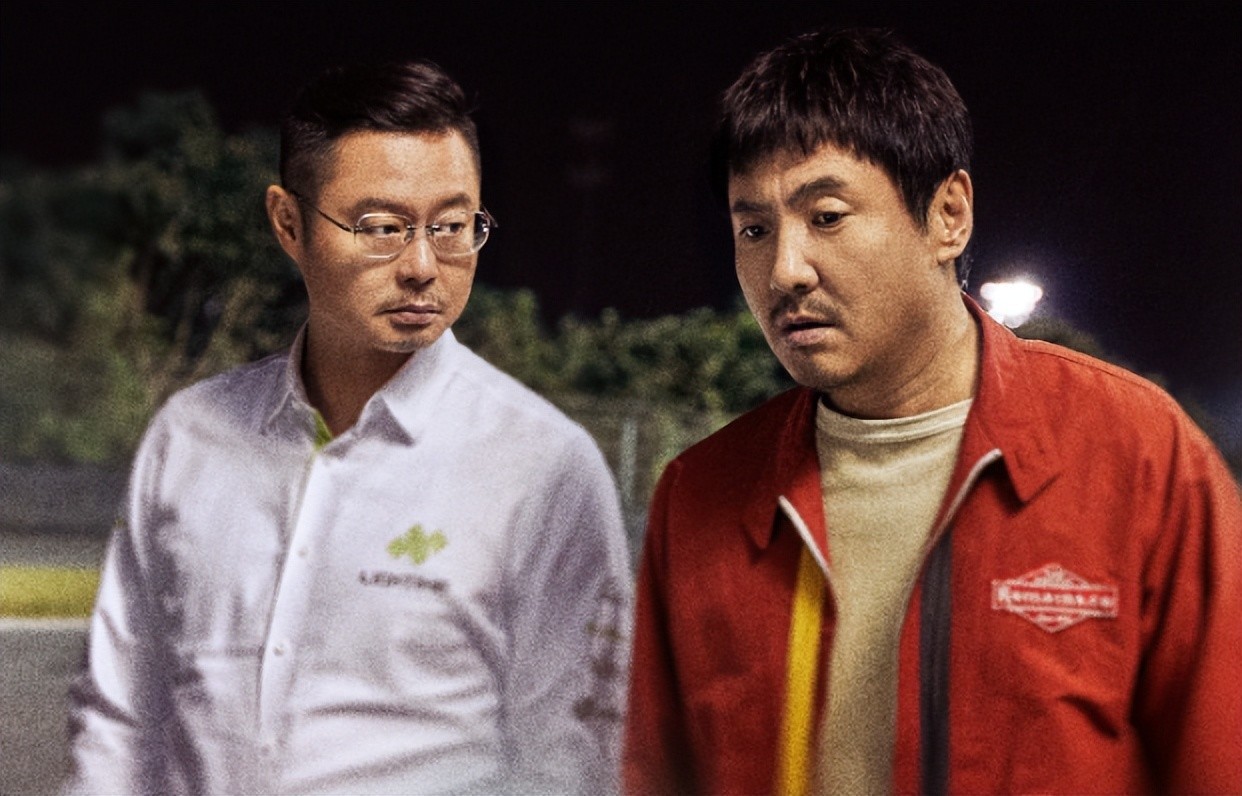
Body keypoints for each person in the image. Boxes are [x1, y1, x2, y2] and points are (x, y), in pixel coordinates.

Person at [624, 27, 1242, 796]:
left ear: (949, 215)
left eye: (827, 217)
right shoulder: (698, 499)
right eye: (753, 229)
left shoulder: (1139, 457)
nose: (784, 270)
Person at [67, 60, 631, 795]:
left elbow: (574, 764)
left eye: (452, 226)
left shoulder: (543, 466)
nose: (423, 265)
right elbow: (120, 721)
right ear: (289, 224)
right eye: (382, 228)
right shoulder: (189, 436)